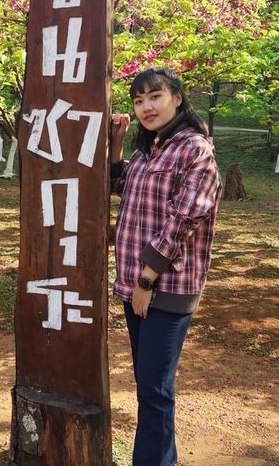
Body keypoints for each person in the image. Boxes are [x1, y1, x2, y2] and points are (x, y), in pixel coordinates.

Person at [110, 67, 222, 466]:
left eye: (154, 96)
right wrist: (117, 147)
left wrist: (146, 279)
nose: (146, 107)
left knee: (155, 390)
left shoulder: (195, 149)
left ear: (177, 97)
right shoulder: (149, 148)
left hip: (165, 288)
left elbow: (184, 219)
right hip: (134, 286)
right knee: (149, 386)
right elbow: (123, 188)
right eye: (138, 101)